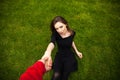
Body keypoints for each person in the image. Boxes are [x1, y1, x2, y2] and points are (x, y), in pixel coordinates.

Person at [42, 16, 83, 80]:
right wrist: (48, 52)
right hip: (60, 56)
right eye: (57, 28)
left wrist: (77, 51)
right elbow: (52, 43)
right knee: (56, 75)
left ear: (66, 24)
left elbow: (71, 41)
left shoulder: (72, 33)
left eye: (61, 27)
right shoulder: (55, 34)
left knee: (65, 75)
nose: (59, 30)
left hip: (69, 56)